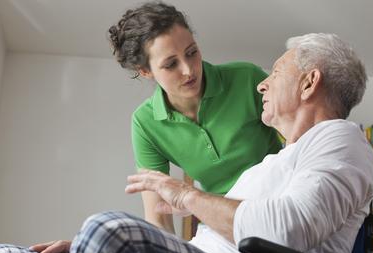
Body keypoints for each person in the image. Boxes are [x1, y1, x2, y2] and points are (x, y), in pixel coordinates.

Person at [0, 33, 373, 253]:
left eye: (276, 73)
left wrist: (186, 194)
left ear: (310, 83)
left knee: (106, 230)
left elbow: (284, 231)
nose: (262, 84)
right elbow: (197, 244)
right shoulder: (271, 164)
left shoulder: (341, 139)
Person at [109, 1, 281, 232]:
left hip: (279, 203)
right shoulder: (145, 123)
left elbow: (299, 139)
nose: (189, 70)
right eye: (171, 64)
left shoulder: (247, 78)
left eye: (191, 52)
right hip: (223, 222)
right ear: (146, 71)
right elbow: (158, 217)